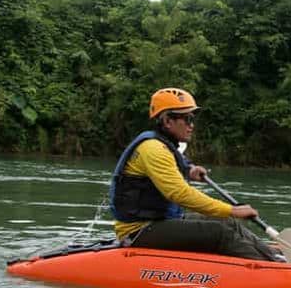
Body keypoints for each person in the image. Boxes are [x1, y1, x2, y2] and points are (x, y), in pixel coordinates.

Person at [108, 87, 280, 261]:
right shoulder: (153, 149)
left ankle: (273, 257)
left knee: (228, 222)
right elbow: (180, 194)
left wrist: (189, 170)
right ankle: (275, 272)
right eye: (187, 119)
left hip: (161, 220)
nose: (192, 125)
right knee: (220, 232)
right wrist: (231, 210)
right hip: (139, 230)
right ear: (168, 121)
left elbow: (177, 163)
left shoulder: (164, 145)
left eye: (192, 119)